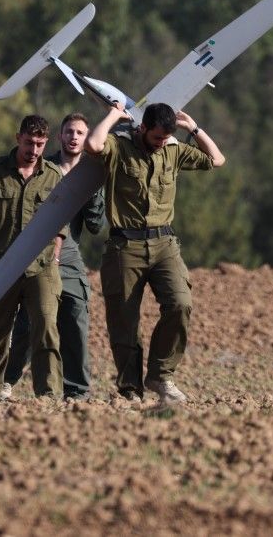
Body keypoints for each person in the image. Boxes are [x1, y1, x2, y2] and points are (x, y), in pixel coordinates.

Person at [85, 102, 225, 403]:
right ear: (143, 128)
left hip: (164, 245)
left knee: (180, 304)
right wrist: (113, 115)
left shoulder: (172, 150)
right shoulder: (119, 147)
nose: (162, 143)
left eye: (166, 138)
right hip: (125, 247)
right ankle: (130, 390)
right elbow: (94, 144)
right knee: (124, 323)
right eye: (157, 137)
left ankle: (161, 376)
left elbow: (216, 159)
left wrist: (194, 129)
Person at [1, 113, 106, 400]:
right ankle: (6, 380)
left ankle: (77, 392)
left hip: (70, 254)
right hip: (38, 251)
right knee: (28, 322)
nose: (74, 137)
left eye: (80, 133)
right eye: (69, 131)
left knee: (75, 316)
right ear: (60, 136)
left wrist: (95, 189)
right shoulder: (45, 169)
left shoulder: (92, 173)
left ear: (87, 139)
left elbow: (96, 226)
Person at [0, 114, 66, 398]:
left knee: (46, 327)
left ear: (46, 143)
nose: (33, 150)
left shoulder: (53, 176)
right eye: (28, 142)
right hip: (0, 266)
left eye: (39, 144)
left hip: (42, 266)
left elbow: (62, 221)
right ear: (17, 138)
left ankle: (47, 395)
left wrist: (56, 255)